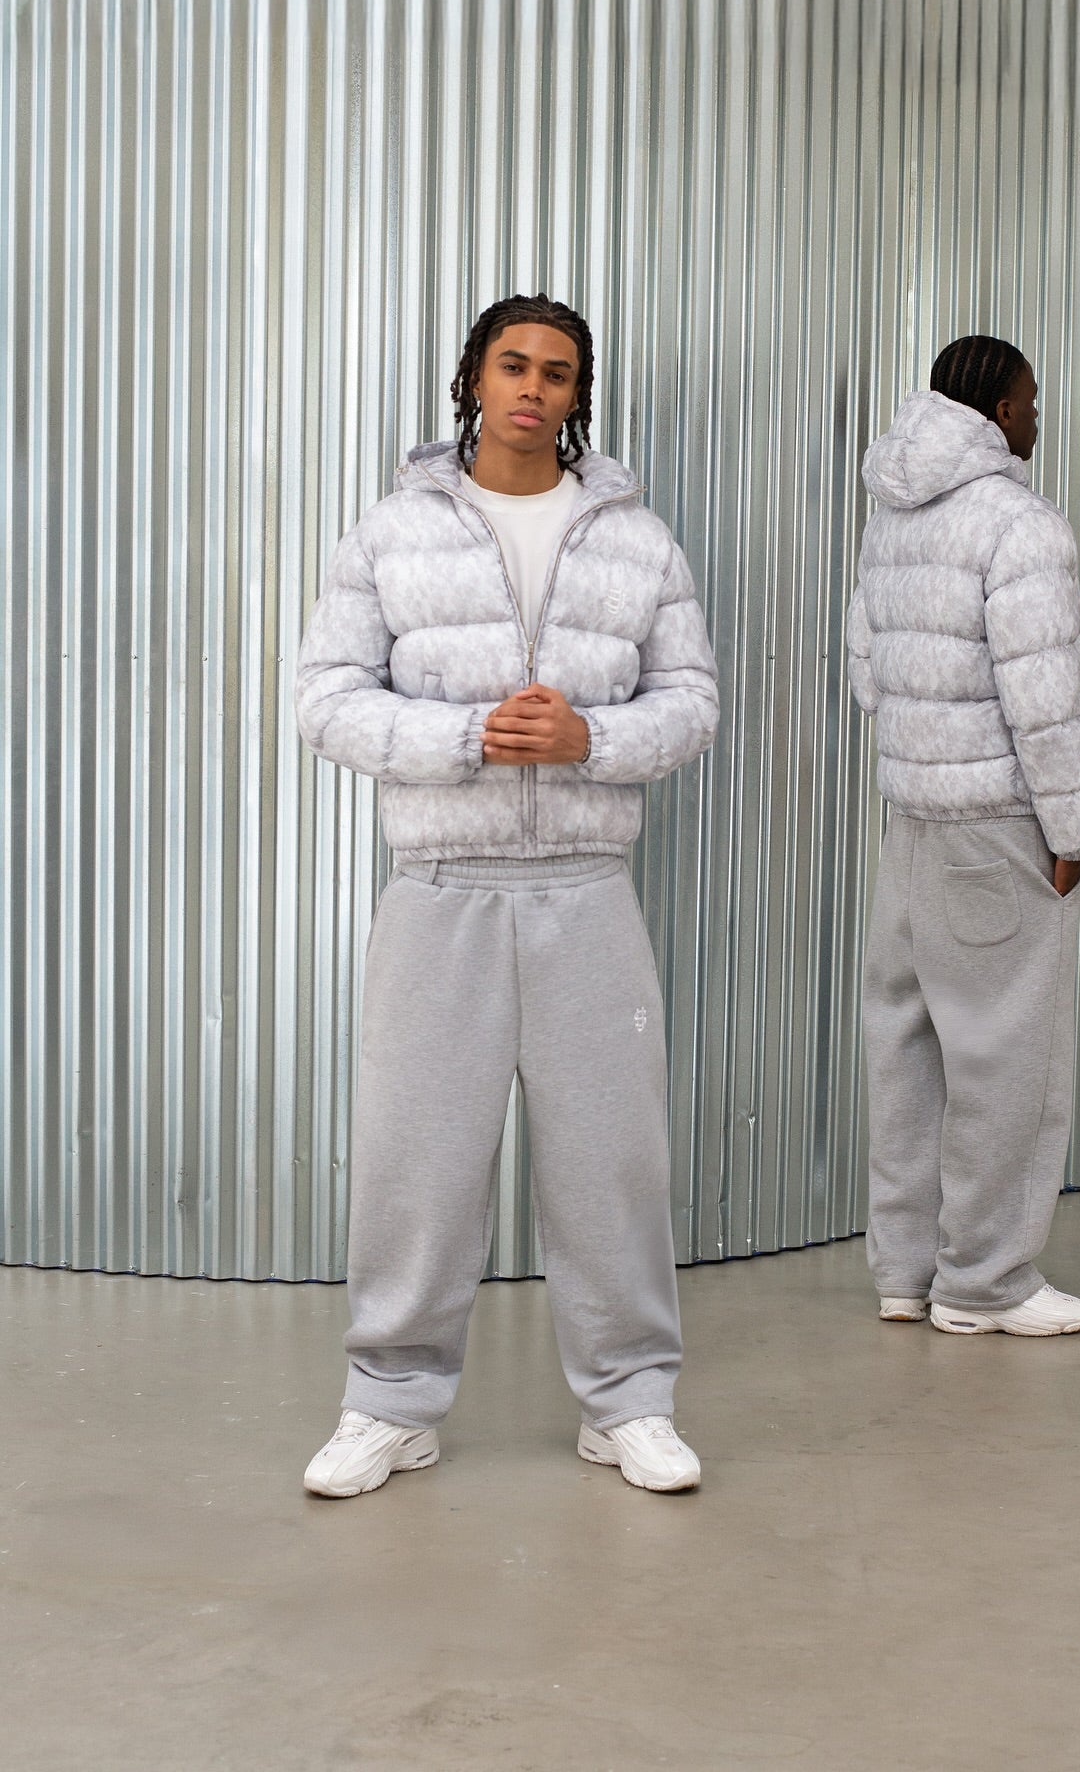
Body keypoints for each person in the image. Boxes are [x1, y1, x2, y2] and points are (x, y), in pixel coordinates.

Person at [295, 293, 719, 1495]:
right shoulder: (392, 533)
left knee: (611, 1162)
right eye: (514, 364)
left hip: (588, 892)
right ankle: (391, 1402)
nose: (534, 387)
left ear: (578, 396)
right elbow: (325, 699)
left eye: (559, 372)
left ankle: (629, 1402)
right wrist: (468, 734)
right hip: (440, 891)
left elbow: (692, 703)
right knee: (416, 1162)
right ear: (474, 380)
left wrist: (592, 739)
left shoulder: (637, 542)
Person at [847, 334, 1080, 1337]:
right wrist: (1070, 828)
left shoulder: (891, 513)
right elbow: (1044, 700)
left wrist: (924, 744)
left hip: (910, 819)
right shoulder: (1017, 523)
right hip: (995, 828)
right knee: (1006, 1060)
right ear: (998, 409)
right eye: (1030, 401)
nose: (1036, 417)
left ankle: (905, 1274)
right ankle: (986, 1284)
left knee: (906, 1051)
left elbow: (867, 668)